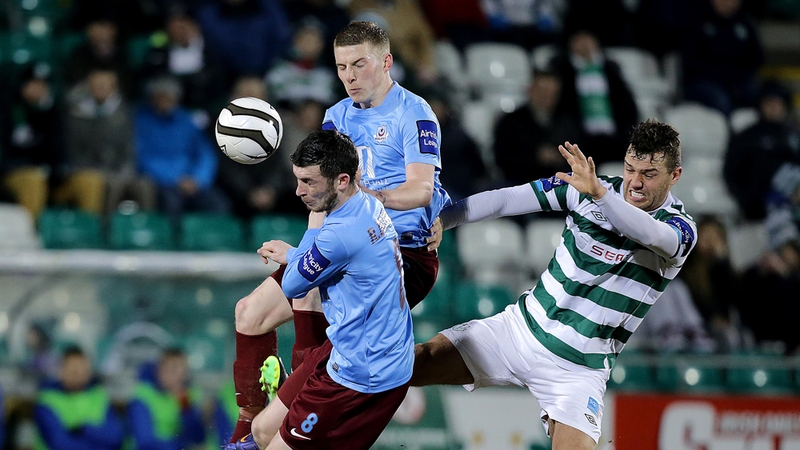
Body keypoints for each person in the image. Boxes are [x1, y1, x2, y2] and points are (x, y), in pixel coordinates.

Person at [226, 21, 449, 442]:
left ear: (386, 62)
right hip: (342, 243)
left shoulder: (414, 113)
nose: (349, 76)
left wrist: (368, 200)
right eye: (341, 67)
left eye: (359, 64)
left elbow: (421, 189)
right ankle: (246, 434)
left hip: (398, 255)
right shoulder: (337, 116)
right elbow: (323, 198)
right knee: (249, 314)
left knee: (316, 319)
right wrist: (309, 249)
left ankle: (286, 409)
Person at [415, 119, 697, 450]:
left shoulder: (679, 228)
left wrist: (600, 195)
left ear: (674, 176)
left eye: (649, 175)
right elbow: (506, 199)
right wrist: (445, 219)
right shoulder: (586, 189)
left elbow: (648, 233)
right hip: (518, 332)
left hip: (579, 372)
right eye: (630, 169)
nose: (635, 182)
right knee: (414, 364)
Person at [227, 129, 414, 450]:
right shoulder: (367, 205)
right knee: (261, 430)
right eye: (298, 180)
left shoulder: (339, 233)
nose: (299, 191)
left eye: (309, 182)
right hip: (353, 349)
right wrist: (296, 255)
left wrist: (300, 247)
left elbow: (293, 285)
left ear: (342, 180)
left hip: (361, 376)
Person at [135, 75, 231, 221]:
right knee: (171, 205)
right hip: (162, 183)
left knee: (220, 205)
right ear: (152, 98)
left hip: (193, 182)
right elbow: (143, 158)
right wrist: (175, 179)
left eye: (169, 97)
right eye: (161, 97)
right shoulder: (142, 123)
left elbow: (205, 154)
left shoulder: (187, 121)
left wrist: (198, 179)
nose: (164, 101)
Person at [65, 67, 156, 215]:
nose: (100, 89)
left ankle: (146, 225)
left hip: (118, 169)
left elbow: (129, 148)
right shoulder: (76, 114)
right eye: (96, 85)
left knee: (145, 186)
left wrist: (124, 170)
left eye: (104, 85)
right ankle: (105, 226)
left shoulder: (124, 114)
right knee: (111, 185)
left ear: (114, 87)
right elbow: (74, 151)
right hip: (89, 170)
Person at [33, 346, 124, 450]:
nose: (77, 374)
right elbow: (60, 444)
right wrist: (97, 438)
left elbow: (115, 437)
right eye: (72, 370)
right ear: (61, 371)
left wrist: (83, 429)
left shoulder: (99, 396)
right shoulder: (47, 401)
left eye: (81, 369)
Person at [127, 348, 206, 450]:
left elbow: (198, 437)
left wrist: (185, 406)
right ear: (159, 370)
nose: (178, 377)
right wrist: (181, 445)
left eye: (183, 372)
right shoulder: (143, 396)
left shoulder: (189, 395)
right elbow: (145, 442)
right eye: (172, 370)